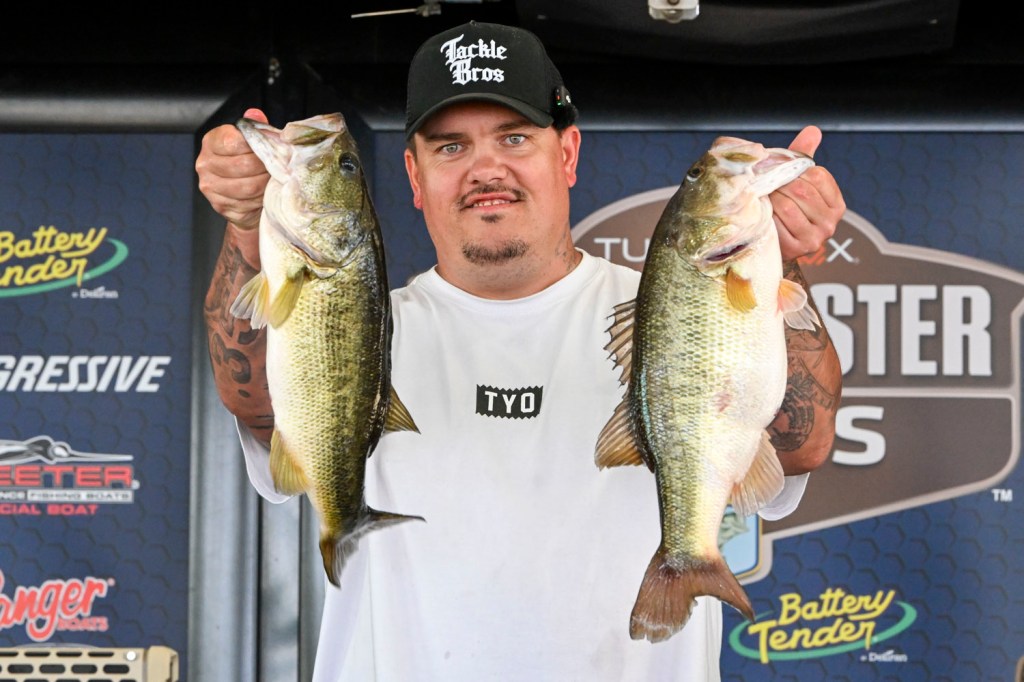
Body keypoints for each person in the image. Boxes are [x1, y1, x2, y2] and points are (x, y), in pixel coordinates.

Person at [197, 20, 844, 682]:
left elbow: (803, 443)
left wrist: (782, 256)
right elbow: (255, 404)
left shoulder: (668, 311)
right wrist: (249, 228)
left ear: (567, 153)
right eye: (451, 146)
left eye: (514, 137)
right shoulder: (357, 324)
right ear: (415, 176)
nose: (486, 169)